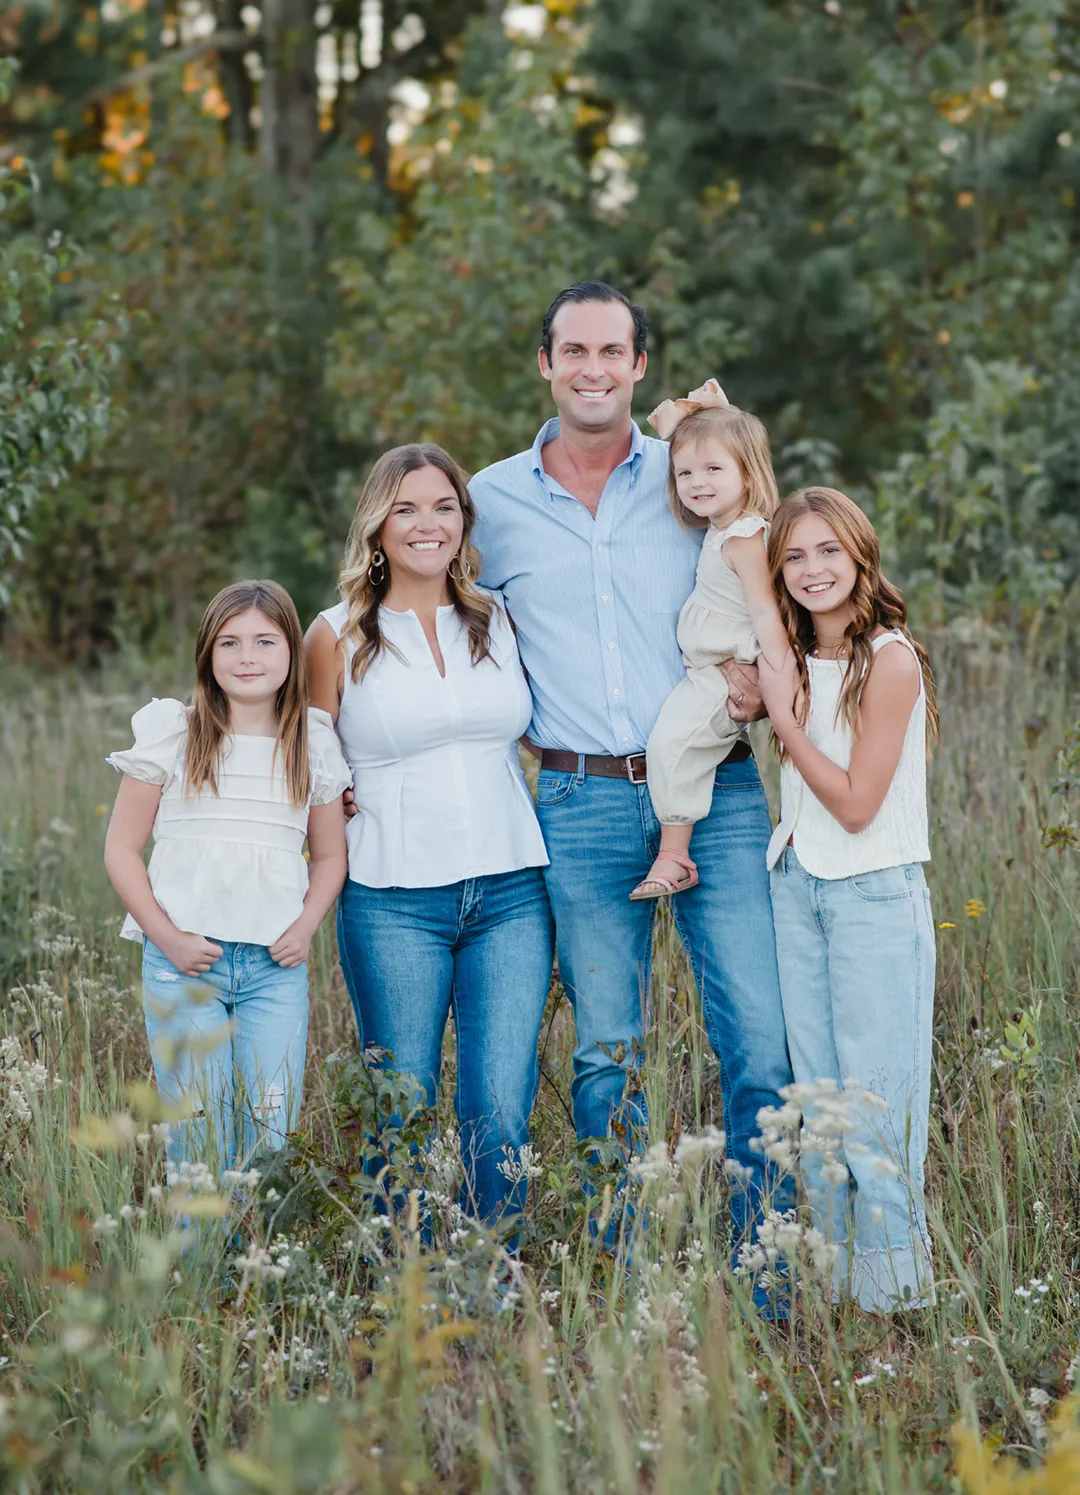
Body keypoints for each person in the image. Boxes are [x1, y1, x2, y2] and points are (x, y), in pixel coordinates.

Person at [469, 281, 794, 1256]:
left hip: (719, 787)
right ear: (546, 363)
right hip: (579, 798)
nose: (594, 368)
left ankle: (768, 1260)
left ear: (640, 366)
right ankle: (626, 1265)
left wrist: (759, 678)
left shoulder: (696, 472)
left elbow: (787, 558)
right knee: (608, 1050)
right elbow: (428, 613)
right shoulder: (490, 499)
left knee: (762, 1043)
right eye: (575, 351)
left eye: (614, 351)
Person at [305, 442, 554, 1230]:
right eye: (406, 508)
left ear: (463, 520)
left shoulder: (499, 618)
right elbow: (311, 763)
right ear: (377, 525)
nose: (427, 523)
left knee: (499, 1103)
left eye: (444, 506)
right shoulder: (334, 634)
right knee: (401, 1105)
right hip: (392, 900)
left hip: (513, 890)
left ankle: (495, 1266)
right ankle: (404, 1286)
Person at [757, 486, 939, 1311]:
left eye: (829, 550)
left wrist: (782, 719)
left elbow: (860, 802)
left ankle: (897, 1307)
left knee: (875, 1117)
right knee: (820, 1113)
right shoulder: (790, 653)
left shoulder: (890, 657)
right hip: (798, 885)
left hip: (871, 893)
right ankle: (832, 1303)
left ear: (861, 554)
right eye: (794, 555)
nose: (812, 569)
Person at [104, 580, 350, 1176]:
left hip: (275, 968)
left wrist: (308, 922)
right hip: (183, 965)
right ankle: (201, 1263)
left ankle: (256, 1261)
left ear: (292, 652)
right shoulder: (174, 734)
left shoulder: (310, 745)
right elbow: (121, 849)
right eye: (230, 643)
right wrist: (168, 938)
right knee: (197, 1129)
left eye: (265, 642)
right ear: (207, 656)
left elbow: (330, 858)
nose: (247, 658)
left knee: (270, 1129)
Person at [631, 381, 790, 900]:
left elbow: (767, 612)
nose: (697, 482)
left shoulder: (745, 536)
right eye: (684, 473)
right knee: (685, 748)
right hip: (708, 671)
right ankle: (675, 851)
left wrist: (778, 676)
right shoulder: (723, 528)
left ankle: (675, 854)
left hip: (726, 672)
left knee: (672, 746)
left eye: (714, 471)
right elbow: (701, 444)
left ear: (749, 471)